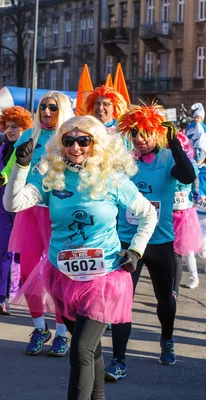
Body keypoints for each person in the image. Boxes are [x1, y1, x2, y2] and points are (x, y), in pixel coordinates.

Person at [4, 115, 157, 400]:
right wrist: (21, 168)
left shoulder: (112, 178)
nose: (75, 147)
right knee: (91, 350)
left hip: (103, 277)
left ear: (96, 143)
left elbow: (148, 213)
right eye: (68, 140)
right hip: (63, 275)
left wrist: (135, 250)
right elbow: (13, 204)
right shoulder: (52, 174)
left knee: (81, 350)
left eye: (83, 140)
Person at [106, 104, 196, 380]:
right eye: (134, 134)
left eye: (145, 133)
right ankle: (118, 360)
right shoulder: (124, 160)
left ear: (156, 133)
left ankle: (167, 340)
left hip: (160, 242)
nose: (140, 139)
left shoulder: (169, 158)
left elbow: (188, 177)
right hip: (127, 242)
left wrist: (175, 146)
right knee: (122, 302)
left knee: (165, 299)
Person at [7, 91, 75, 356]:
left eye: (53, 107)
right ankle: (39, 327)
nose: (47, 111)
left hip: (59, 212)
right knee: (26, 274)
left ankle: (61, 332)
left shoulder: (70, 138)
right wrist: (4, 179)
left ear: (64, 110)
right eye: (43, 106)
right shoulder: (29, 136)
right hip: (30, 211)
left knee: (59, 275)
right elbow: (13, 166)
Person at [0, 106, 33, 315]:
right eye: (8, 127)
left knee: (24, 254)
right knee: (4, 250)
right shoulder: (2, 149)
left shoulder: (30, 150)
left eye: (16, 127)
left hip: (24, 204)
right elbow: (0, 174)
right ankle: (2, 296)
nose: (11, 131)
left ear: (25, 129)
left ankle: (25, 292)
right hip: (3, 204)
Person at [171, 133, 202, 290]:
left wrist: (196, 193)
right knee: (170, 252)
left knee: (188, 250)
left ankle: (194, 276)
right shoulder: (168, 164)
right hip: (169, 214)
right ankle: (171, 281)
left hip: (184, 213)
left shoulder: (191, 165)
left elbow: (195, 182)